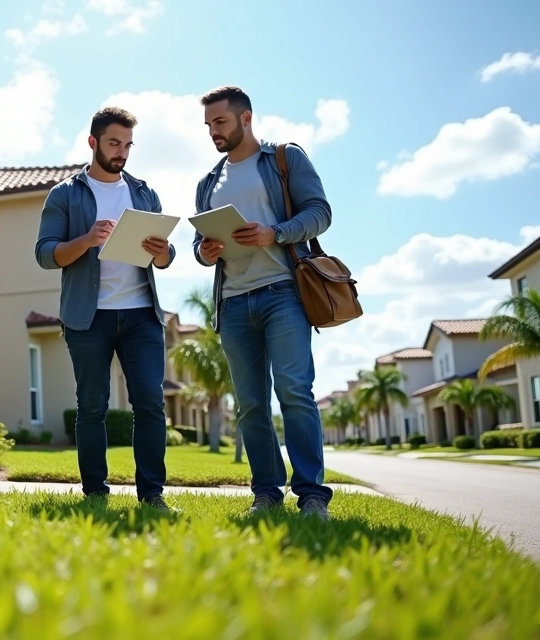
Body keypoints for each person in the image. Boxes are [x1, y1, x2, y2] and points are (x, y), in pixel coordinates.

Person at [191, 85, 334, 519]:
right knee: (251, 403)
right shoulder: (208, 182)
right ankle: (266, 494)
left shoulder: (285, 159)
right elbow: (200, 243)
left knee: (294, 391)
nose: (213, 131)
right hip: (233, 303)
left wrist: (276, 233)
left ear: (246, 117)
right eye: (208, 125)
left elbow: (320, 212)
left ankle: (311, 495)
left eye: (220, 122)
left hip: (283, 293)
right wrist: (206, 251)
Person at [34, 106, 176, 510]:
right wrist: (86, 240)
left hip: (141, 315)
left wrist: (163, 253)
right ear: (93, 142)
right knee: (92, 406)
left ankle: (152, 495)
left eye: (128, 145)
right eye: (114, 143)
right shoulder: (65, 194)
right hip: (87, 317)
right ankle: (95, 494)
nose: (122, 152)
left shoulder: (144, 192)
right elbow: (46, 254)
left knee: (150, 401)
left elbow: (165, 258)